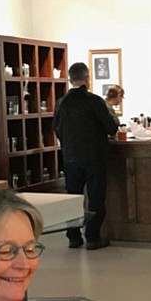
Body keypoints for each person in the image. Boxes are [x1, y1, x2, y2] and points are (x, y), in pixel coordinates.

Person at [54, 62, 119, 250]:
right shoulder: (94, 101)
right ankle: (92, 237)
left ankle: (73, 237)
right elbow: (111, 127)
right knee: (96, 198)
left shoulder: (61, 102)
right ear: (87, 79)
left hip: (70, 157)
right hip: (94, 156)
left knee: (72, 198)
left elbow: (57, 129)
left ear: (69, 79)